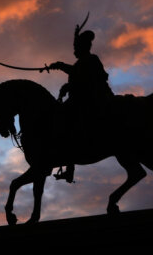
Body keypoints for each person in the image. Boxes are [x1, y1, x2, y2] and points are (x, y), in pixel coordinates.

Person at [47, 17, 114, 183]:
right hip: (80, 100)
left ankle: (69, 166)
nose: (75, 51)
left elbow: (91, 78)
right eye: (75, 47)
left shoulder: (92, 60)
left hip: (91, 100)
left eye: (77, 47)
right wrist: (60, 66)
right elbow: (75, 72)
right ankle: (67, 163)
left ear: (84, 47)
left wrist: (70, 84)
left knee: (66, 119)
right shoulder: (80, 63)